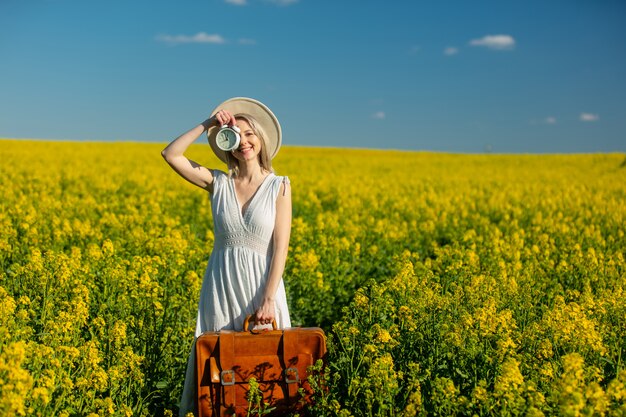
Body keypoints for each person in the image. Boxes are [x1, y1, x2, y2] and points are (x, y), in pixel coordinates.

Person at [161, 97, 292, 416]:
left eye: (249, 134)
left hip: (262, 289)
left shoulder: (279, 186)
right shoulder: (217, 182)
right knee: (218, 377)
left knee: (267, 376)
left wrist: (268, 299)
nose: (244, 141)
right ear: (227, 140)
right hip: (220, 287)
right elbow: (171, 154)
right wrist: (209, 124)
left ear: (261, 139)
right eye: (235, 133)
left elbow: (280, 248)